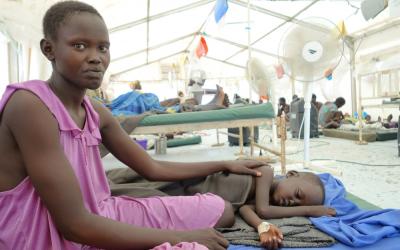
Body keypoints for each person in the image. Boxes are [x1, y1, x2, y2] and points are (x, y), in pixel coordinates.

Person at [0, 2, 268, 249]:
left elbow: (153, 168)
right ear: (49, 49)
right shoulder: (31, 106)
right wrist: (181, 237)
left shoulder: (95, 111)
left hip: (99, 214)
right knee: (194, 247)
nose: (96, 57)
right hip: (44, 235)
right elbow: (74, 226)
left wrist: (223, 164)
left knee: (220, 210)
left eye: (102, 48)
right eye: (80, 46)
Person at [106, 166, 337, 250]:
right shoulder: (265, 171)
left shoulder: (258, 197)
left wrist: (262, 227)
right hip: (189, 183)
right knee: (134, 188)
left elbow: (251, 212)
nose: (293, 203)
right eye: (297, 195)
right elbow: (265, 209)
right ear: (291, 174)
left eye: (299, 204)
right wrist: (309, 211)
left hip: (192, 199)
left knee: (145, 203)